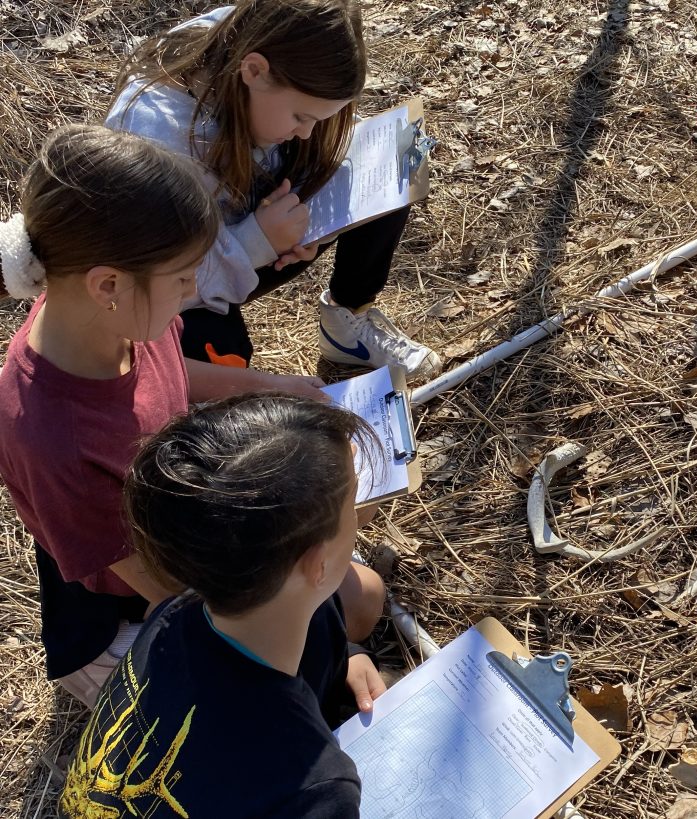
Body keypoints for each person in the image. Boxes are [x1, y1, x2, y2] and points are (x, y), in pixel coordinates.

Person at [0, 124, 384, 706]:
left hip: (185, 528)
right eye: (182, 280)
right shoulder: (53, 442)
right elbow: (172, 593)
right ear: (109, 284)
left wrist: (269, 387)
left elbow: (170, 369)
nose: (192, 292)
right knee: (292, 679)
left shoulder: (106, 317)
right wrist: (322, 650)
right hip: (126, 612)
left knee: (361, 598)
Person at [58, 393, 386, 817]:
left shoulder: (169, 619)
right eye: (352, 504)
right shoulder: (314, 790)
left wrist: (345, 658)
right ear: (317, 563)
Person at [106, 0, 442, 380]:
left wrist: (308, 221)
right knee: (218, 354)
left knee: (390, 167)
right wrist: (258, 241)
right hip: (174, 285)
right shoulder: (160, 144)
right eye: (302, 117)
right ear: (254, 70)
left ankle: (348, 322)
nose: (306, 132)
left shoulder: (262, 44)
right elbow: (154, 282)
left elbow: (311, 131)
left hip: (249, 227)